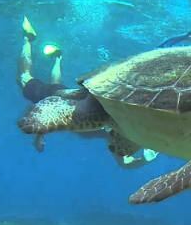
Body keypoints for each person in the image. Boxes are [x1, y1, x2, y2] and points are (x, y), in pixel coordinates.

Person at [16, 17, 158, 167]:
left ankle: (58, 58)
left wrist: (145, 159)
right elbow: (54, 109)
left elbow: (124, 161)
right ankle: (28, 38)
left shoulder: (117, 132)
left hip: (67, 98)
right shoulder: (113, 127)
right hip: (66, 99)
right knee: (23, 77)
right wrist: (39, 132)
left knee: (56, 86)